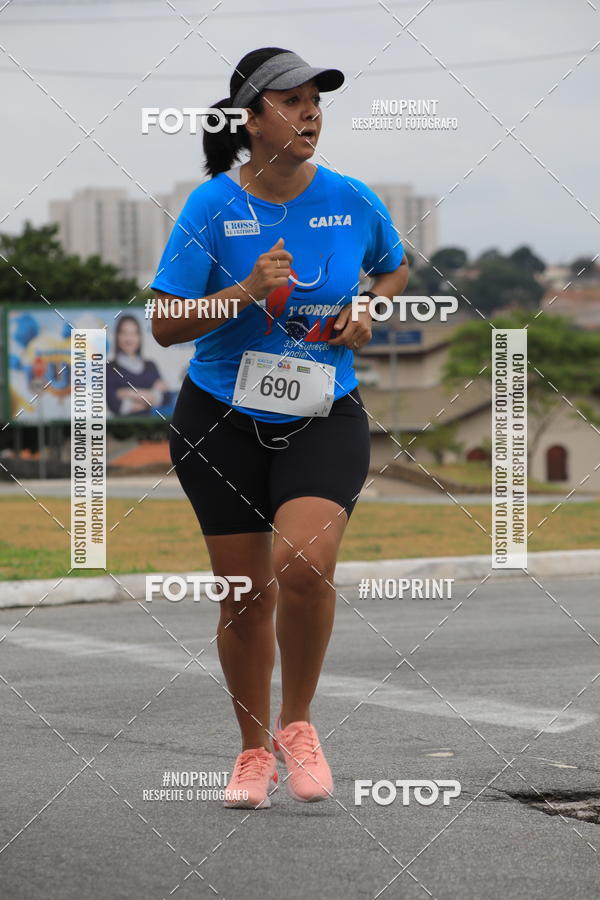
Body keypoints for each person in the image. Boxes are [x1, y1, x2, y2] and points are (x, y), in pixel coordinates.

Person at [150, 46, 409, 809]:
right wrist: (244, 290)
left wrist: (369, 307)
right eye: (291, 102)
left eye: (315, 101)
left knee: (304, 564)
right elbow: (165, 323)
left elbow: (393, 266)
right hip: (219, 420)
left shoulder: (352, 199)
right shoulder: (209, 208)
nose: (309, 114)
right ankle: (252, 751)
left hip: (323, 414)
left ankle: (298, 724)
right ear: (251, 119)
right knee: (243, 596)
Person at [106, 314, 166, 415]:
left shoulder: (150, 366)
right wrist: (151, 397)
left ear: (139, 337)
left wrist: (128, 393)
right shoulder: (109, 368)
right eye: (124, 333)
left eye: (134, 333)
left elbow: (165, 398)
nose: (129, 339)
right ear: (117, 336)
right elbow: (115, 405)